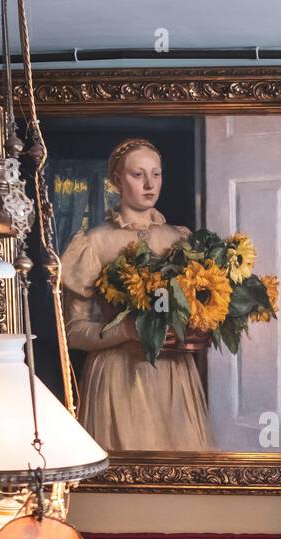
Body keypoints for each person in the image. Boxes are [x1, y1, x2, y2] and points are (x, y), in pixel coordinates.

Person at [59, 137, 213, 452]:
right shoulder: (93, 243)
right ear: (116, 180)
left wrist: (198, 330)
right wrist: (128, 330)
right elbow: (73, 332)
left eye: (156, 174)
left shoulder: (180, 240)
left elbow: (200, 310)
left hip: (174, 377)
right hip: (118, 378)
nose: (149, 184)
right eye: (137, 174)